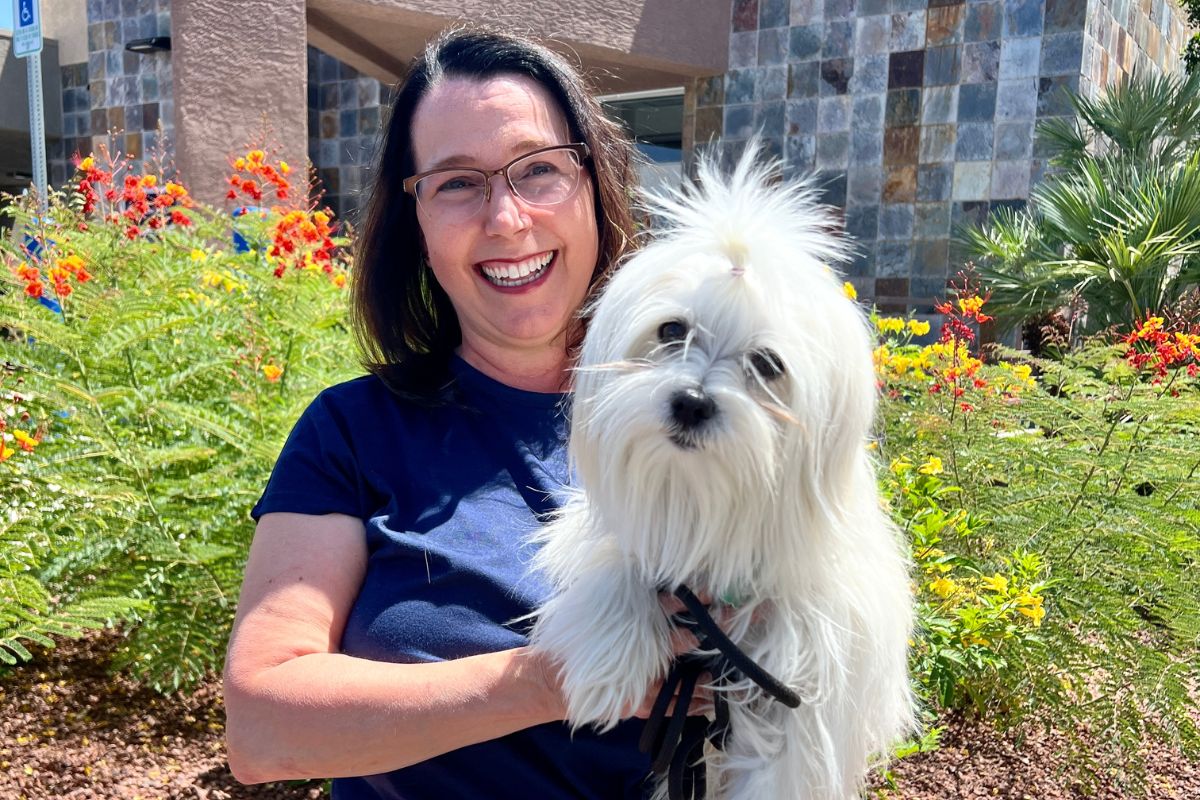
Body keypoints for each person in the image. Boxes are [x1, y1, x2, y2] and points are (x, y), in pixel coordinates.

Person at [222, 27, 673, 799]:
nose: (506, 219)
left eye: (539, 170)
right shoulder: (353, 434)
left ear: (597, 185)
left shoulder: (697, 414)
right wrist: (552, 679)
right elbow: (263, 729)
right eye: (458, 183)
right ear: (418, 225)